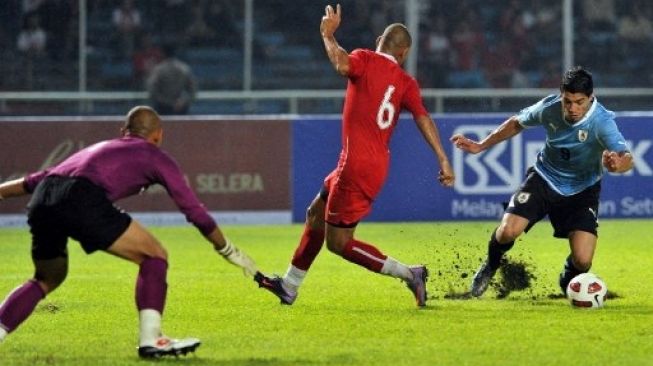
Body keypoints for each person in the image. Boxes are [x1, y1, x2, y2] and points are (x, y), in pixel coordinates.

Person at [0, 106, 258, 358]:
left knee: (47, 278)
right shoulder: (156, 156)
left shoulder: (96, 149)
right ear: (158, 135)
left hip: (44, 198)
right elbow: (193, 210)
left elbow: (35, 180)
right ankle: (152, 340)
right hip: (83, 198)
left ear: (124, 130)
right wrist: (225, 248)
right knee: (154, 255)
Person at [255, 4, 455, 308]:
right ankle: (290, 285)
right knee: (315, 214)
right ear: (403, 55)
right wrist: (442, 157)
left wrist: (328, 35)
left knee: (339, 243)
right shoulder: (406, 82)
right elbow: (423, 118)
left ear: (379, 41)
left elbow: (341, 64)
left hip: (356, 166)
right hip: (364, 164)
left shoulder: (365, 57)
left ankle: (410, 273)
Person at [450, 66, 634, 297]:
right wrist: (481, 145)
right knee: (508, 231)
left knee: (583, 260)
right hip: (545, 178)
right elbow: (517, 122)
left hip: (582, 190)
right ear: (561, 95)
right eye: (568, 101)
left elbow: (626, 157)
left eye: (579, 102)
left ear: (591, 98)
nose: (573, 108)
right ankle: (490, 265)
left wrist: (618, 165)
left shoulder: (602, 122)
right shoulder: (550, 108)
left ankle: (568, 282)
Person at [146, 44, 196, 115]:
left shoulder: (158, 70)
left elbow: (152, 90)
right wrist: (182, 101)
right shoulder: (184, 68)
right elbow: (192, 90)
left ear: (162, 54)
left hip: (163, 109)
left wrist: (168, 103)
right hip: (179, 107)